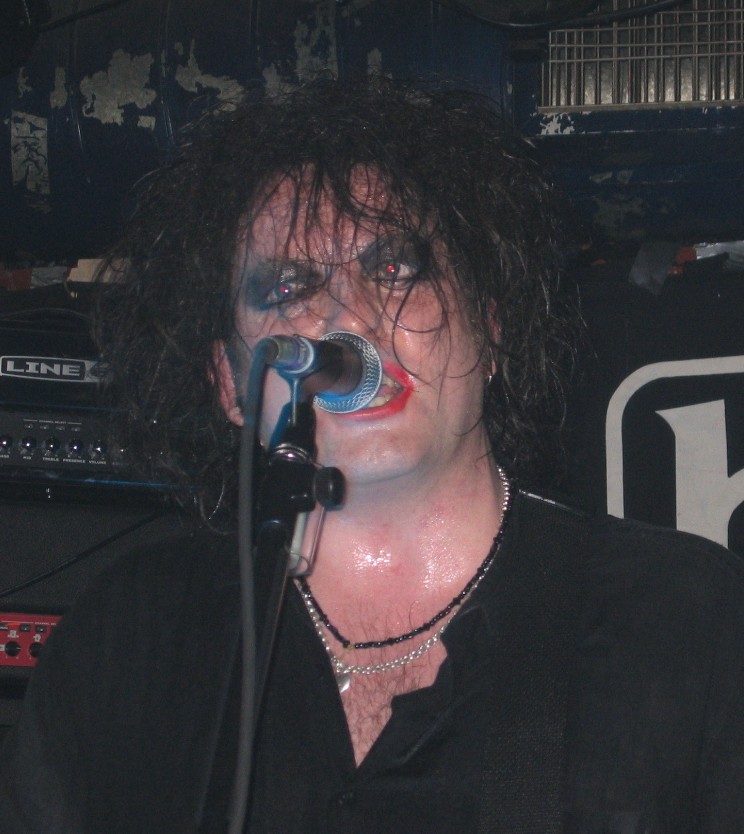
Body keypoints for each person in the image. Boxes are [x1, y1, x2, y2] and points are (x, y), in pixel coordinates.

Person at [1, 78, 743, 834]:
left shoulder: (686, 619)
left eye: (393, 269)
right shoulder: (129, 637)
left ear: (491, 331)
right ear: (229, 382)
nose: (344, 316)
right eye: (288, 286)